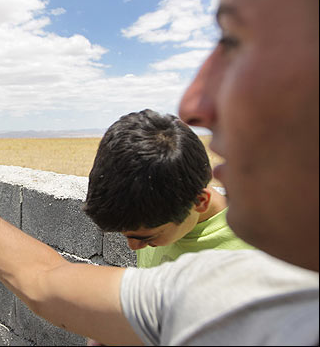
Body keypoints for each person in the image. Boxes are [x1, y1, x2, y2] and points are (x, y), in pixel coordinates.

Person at [0, 0, 318, 345]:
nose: (193, 103)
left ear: (199, 202)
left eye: (236, 42)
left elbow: (45, 283)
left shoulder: (245, 279)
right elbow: (47, 282)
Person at [84, 109, 253, 268]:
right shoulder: (150, 207)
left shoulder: (249, 256)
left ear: (200, 201)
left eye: (148, 238)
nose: (133, 247)